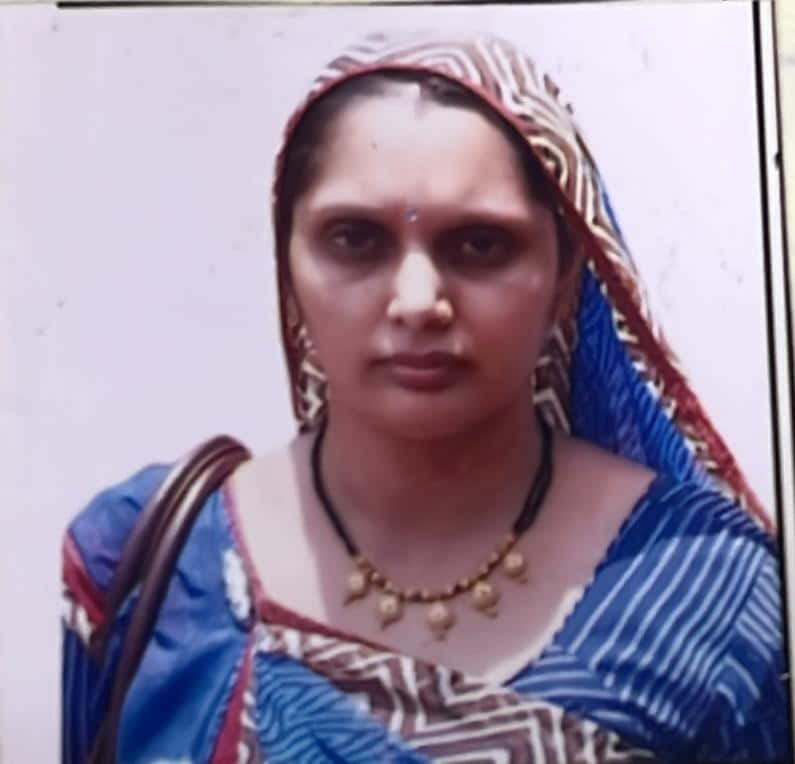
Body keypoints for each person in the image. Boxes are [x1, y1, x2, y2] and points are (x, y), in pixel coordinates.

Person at [62, 31, 791, 762]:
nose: (416, 301)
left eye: (479, 244)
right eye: (355, 240)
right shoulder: (148, 562)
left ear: (565, 273)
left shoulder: (708, 587)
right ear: (287, 266)